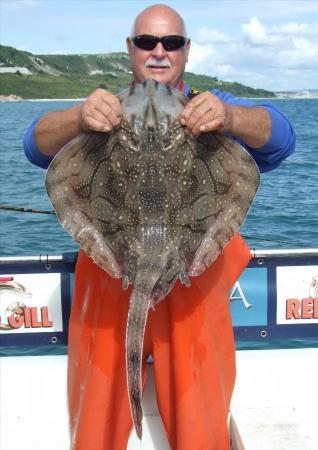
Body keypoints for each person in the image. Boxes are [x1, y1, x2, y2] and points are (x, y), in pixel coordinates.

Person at [23, 4, 295, 449]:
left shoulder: (215, 105)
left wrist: (229, 119)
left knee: (199, 422)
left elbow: (282, 138)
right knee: (96, 425)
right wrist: (77, 117)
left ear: (186, 51)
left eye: (171, 42)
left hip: (194, 283)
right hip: (111, 274)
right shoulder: (104, 109)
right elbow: (34, 145)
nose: (159, 52)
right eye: (147, 42)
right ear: (130, 50)